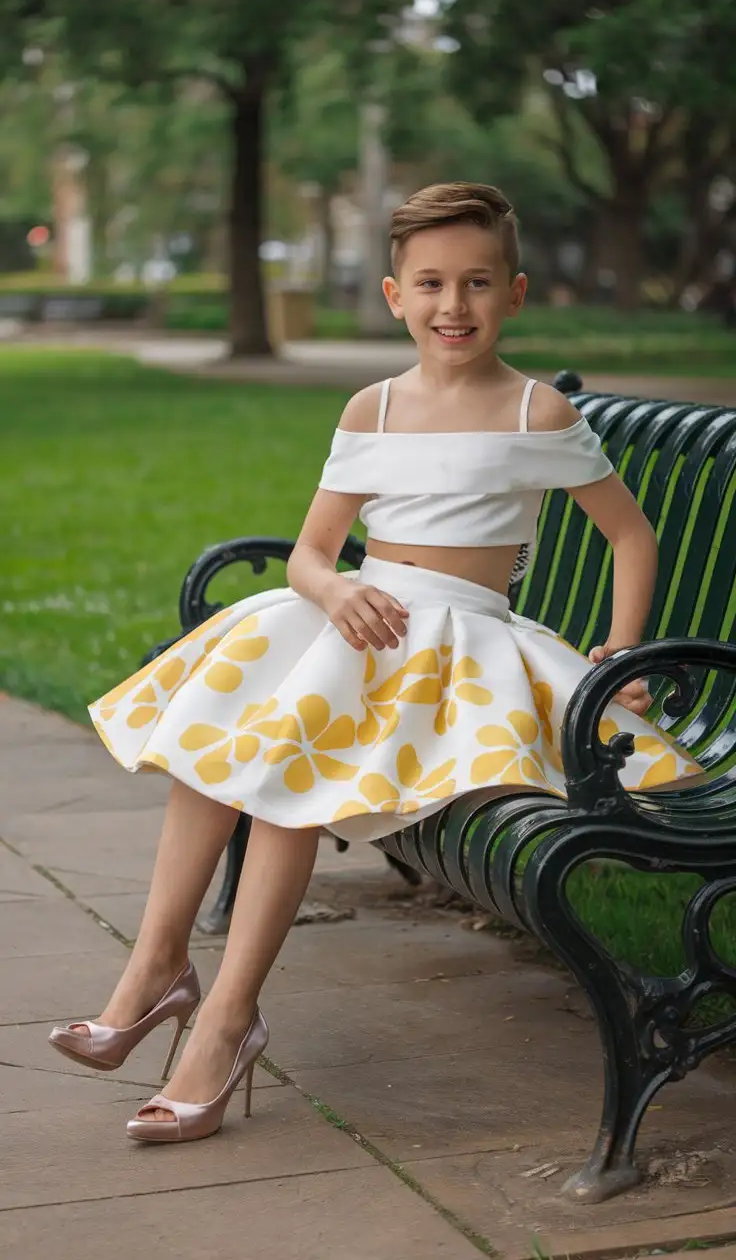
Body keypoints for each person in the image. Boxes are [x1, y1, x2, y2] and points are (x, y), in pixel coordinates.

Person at [49, 182, 698, 1144]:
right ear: (395, 296)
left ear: (515, 293)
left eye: (477, 282)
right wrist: (336, 590)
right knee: (220, 737)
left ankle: (224, 1023)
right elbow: (315, 552)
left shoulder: (537, 410)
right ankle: (155, 971)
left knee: (284, 767)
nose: (454, 305)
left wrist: (622, 645)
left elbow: (630, 536)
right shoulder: (375, 407)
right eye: (431, 283)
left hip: (460, 649)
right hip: (359, 624)